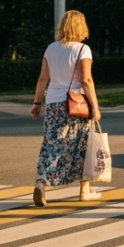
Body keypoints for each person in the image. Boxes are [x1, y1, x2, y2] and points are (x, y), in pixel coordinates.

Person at [30, 10, 102, 206]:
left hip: (53, 103)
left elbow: (43, 79)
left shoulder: (51, 49)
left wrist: (37, 103)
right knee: (81, 145)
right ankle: (84, 190)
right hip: (76, 104)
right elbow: (86, 80)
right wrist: (95, 106)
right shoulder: (82, 50)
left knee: (51, 143)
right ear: (81, 27)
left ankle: (41, 182)